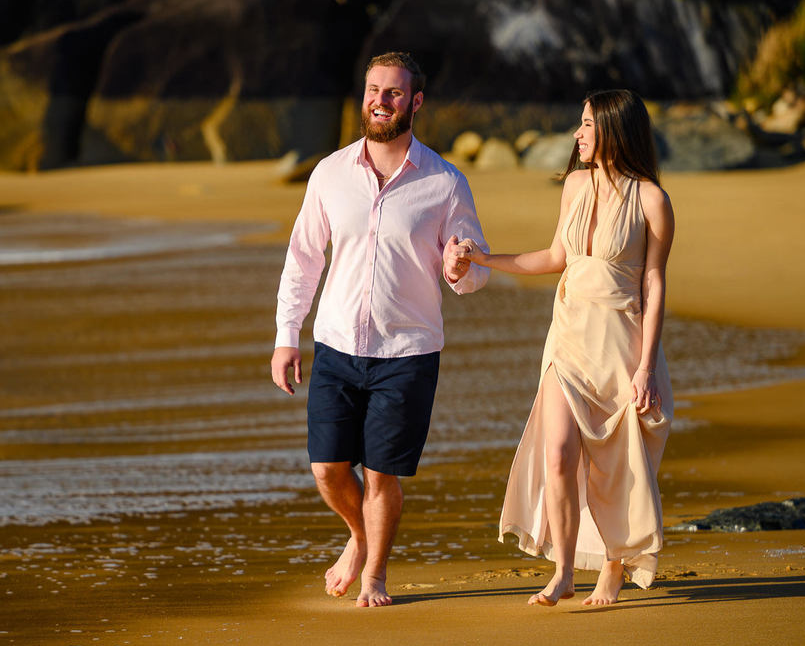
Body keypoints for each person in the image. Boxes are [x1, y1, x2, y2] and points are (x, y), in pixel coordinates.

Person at [271, 51, 490, 607]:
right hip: (337, 344)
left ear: (415, 102)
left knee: (381, 475)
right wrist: (286, 335)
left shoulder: (445, 182)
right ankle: (360, 534)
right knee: (327, 470)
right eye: (374, 90)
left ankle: (374, 576)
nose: (380, 101)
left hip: (408, 351)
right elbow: (303, 259)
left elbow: (473, 273)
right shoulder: (330, 173)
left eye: (393, 92)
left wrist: (459, 267)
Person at [456, 88, 674, 606]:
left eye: (587, 124)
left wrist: (646, 367)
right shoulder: (575, 186)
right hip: (568, 341)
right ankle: (564, 572)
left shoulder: (652, 200)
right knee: (557, 452)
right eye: (580, 123)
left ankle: (614, 566)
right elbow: (557, 256)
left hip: (621, 348)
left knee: (616, 464)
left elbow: (654, 283)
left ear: (615, 129)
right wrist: (484, 260)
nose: (578, 134)